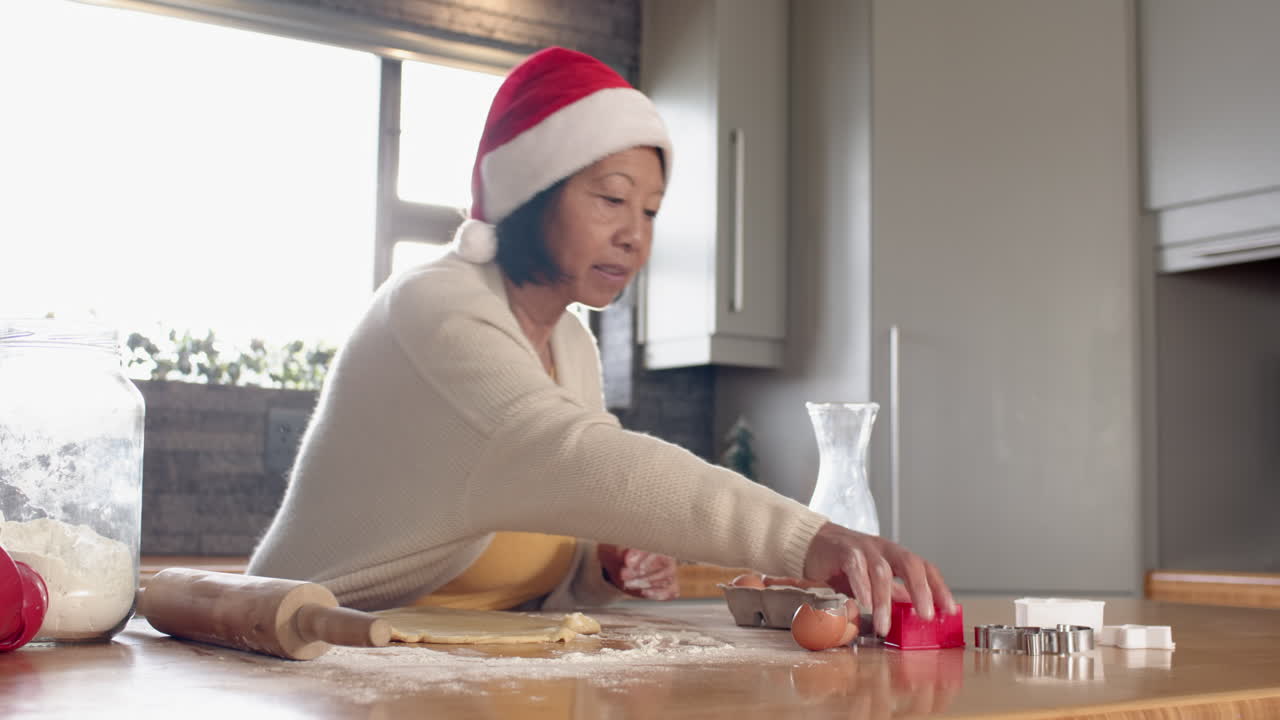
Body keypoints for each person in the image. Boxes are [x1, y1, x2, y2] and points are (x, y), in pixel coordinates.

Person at [248, 47, 955, 637]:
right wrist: (806, 539)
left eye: (649, 210)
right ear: (533, 190)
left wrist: (602, 565)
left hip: (452, 671)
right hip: (311, 655)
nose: (635, 234)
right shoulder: (433, 309)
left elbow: (549, 509)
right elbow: (573, 455)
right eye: (611, 198)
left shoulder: (573, 347)